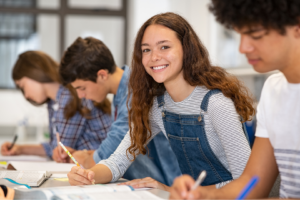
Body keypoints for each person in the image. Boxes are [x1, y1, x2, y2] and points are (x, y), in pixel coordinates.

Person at [66, 12, 254, 191]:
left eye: (164, 47)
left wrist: (173, 191)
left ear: (186, 49)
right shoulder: (157, 106)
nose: (154, 57)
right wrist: (88, 175)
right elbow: (117, 161)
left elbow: (247, 182)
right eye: (146, 50)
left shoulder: (216, 104)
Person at [169, 0, 300, 199]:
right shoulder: (274, 90)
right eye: (240, 34)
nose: (243, 47)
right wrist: (203, 195)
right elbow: (253, 183)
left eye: (255, 35)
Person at [59, 36, 182, 187]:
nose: (80, 96)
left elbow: (105, 155)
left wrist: (84, 157)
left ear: (102, 75)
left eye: (82, 88)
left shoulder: (136, 93)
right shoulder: (120, 93)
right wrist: (85, 155)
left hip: (163, 186)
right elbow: (118, 154)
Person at [0, 51, 111, 160]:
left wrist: (22, 149)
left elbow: (60, 151)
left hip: (103, 164)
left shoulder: (69, 97)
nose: (26, 95)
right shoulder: (55, 101)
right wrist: (19, 149)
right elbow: (56, 147)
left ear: (34, 72)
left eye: (23, 86)